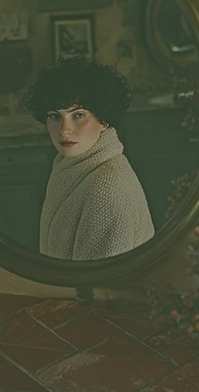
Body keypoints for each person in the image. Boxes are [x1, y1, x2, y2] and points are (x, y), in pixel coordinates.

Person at [23, 56, 155, 260]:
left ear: (104, 120)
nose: (64, 130)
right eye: (55, 116)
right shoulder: (71, 166)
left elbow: (102, 278)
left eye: (78, 115)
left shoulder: (108, 188)